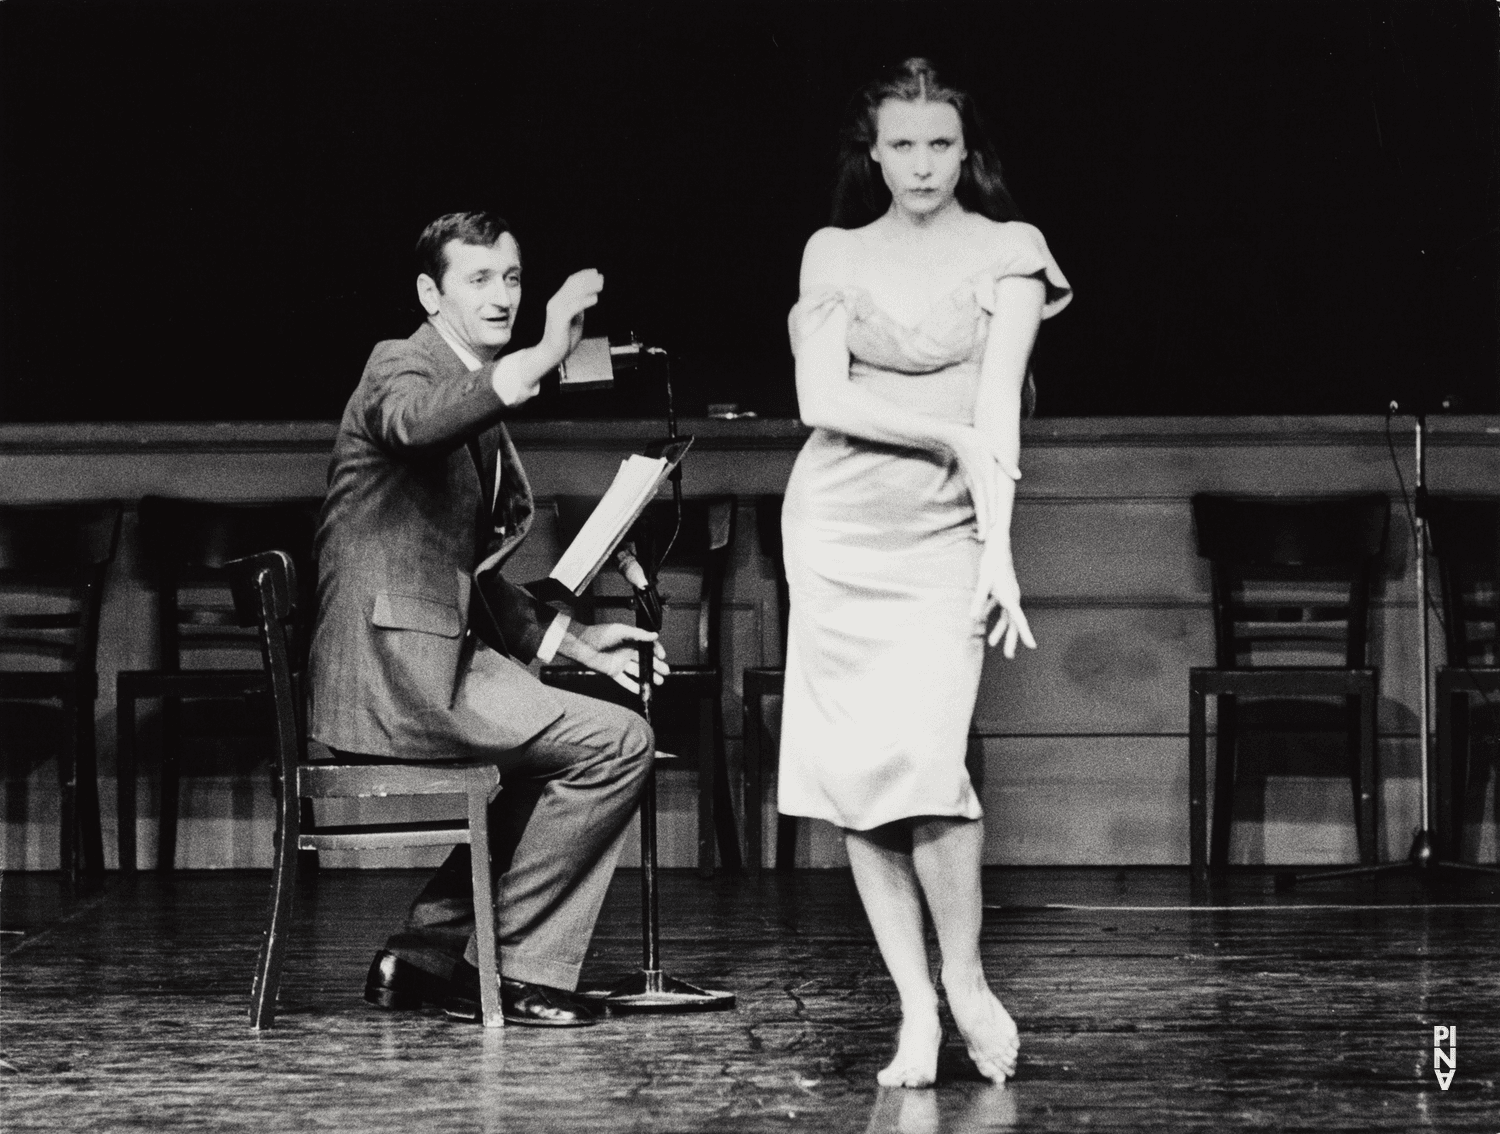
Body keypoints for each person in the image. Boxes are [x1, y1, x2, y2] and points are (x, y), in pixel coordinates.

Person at [779, 59, 1072, 1085]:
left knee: (931, 765)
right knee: (864, 779)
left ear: (967, 150)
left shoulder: (1009, 252)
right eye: (901, 144)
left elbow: (997, 413)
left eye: (939, 143)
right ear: (873, 151)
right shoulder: (833, 251)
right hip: (839, 523)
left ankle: (966, 979)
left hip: (949, 528)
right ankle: (913, 1009)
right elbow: (821, 399)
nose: (920, 164)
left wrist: (998, 549)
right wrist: (940, 435)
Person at [309, 210, 668, 1027]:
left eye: (511, 277)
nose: (503, 295)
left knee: (560, 753)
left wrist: (574, 639)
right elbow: (413, 422)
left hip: (423, 663)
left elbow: (462, 577)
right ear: (432, 294)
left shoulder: (469, 387)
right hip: (397, 677)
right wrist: (545, 352)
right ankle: (516, 972)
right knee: (616, 744)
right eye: (480, 279)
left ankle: (428, 954)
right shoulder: (400, 365)